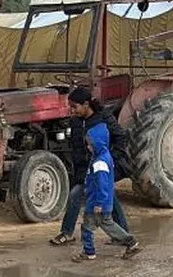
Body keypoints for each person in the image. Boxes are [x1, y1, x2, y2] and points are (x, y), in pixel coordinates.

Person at [49, 87, 130, 247]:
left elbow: (120, 137)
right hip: (83, 169)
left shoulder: (104, 118)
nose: (71, 110)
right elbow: (76, 146)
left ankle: (123, 236)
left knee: (95, 196)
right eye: (70, 106)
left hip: (101, 167)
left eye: (74, 107)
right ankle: (68, 233)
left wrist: (110, 160)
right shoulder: (75, 121)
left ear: (86, 104)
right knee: (86, 196)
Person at [73, 121, 140, 261]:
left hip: (97, 203)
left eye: (90, 144)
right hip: (103, 202)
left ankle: (89, 252)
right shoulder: (105, 157)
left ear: (97, 144)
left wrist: (99, 203)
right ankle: (130, 243)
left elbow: (102, 185)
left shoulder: (99, 162)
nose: (88, 147)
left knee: (88, 228)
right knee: (108, 225)